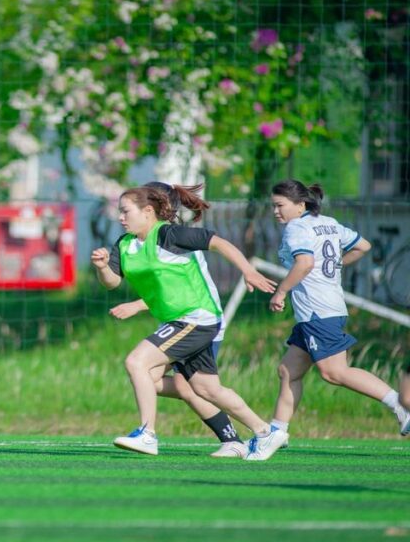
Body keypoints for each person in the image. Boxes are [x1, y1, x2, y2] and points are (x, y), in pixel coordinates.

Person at [91, 184, 287, 459]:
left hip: (196, 317)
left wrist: (248, 271)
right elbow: (112, 282)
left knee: (137, 362)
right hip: (177, 320)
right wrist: (102, 268)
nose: (120, 217)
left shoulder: (169, 234)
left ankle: (147, 434)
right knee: (205, 388)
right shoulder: (125, 244)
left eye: (125, 211)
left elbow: (217, 241)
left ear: (148, 211)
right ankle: (266, 432)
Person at [257, 180, 410, 455]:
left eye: (280, 206)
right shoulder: (326, 222)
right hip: (323, 309)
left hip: (318, 311)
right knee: (288, 371)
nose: (275, 212)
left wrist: (281, 292)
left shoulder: (297, 227)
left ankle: (399, 404)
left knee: (334, 372)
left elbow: (305, 264)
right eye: (273, 206)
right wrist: (336, 266)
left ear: (300, 204)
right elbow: (363, 246)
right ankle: (277, 432)